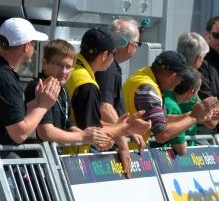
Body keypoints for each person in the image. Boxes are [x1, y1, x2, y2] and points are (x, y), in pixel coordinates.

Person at [65, 26, 151, 175]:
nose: (114, 59)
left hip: (67, 154)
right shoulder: (87, 85)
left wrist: (119, 127)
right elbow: (92, 131)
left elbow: (87, 121)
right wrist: (125, 130)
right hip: (72, 161)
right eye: (114, 54)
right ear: (105, 55)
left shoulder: (73, 69)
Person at [122, 51, 219, 155]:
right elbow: (161, 134)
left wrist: (192, 115)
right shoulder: (149, 90)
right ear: (172, 76)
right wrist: (193, 118)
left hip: (130, 150)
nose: (180, 82)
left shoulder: (143, 75)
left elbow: (161, 120)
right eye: (181, 78)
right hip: (128, 152)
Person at [23, 39, 112, 149]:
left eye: (68, 67)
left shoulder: (63, 90)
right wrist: (83, 137)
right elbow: (46, 132)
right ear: (45, 63)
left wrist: (96, 139)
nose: (64, 71)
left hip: (54, 155)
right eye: (59, 65)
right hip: (36, 156)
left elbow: (68, 125)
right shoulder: (38, 87)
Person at [0, 18, 59, 157]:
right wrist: (43, 106)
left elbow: (10, 114)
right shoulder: (5, 78)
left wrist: (38, 102)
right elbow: (19, 133)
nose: (34, 48)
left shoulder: (6, 74)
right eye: (33, 43)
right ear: (26, 47)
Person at [160, 68, 219, 154]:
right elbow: (182, 150)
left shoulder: (164, 93)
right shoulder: (173, 107)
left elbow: (166, 119)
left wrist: (197, 117)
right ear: (191, 93)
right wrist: (194, 117)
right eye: (197, 92)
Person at [95, 17, 140, 125]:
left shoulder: (105, 62)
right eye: (138, 44)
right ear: (130, 46)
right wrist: (124, 130)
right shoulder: (108, 66)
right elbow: (105, 108)